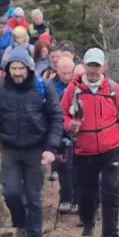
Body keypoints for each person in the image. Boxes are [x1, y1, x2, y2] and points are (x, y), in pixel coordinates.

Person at [0, 45, 63, 237]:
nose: (17, 73)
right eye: (13, 68)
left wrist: (51, 148)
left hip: (36, 149)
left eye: (21, 68)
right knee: (10, 192)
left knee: (33, 196)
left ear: (29, 68)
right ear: (8, 69)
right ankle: (20, 226)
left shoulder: (43, 87)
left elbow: (56, 118)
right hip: (10, 149)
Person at [60, 47, 119, 237]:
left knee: (110, 191)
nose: (93, 70)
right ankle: (88, 222)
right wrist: (70, 125)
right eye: (90, 65)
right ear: (84, 65)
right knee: (86, 193)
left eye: (97, 66)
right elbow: (62, 115)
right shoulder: (73, 90)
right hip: (84, 150)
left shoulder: (113, 89)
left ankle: (110, 236)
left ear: (104, 67)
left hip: (111, 148)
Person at [43, 48, 80, 216]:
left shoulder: (79, 85)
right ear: (57, 70)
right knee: (62, 164)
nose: (67, 76)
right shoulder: (49, 85)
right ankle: (65, 197)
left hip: (76, 129)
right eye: (64, 73)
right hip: (57, 129)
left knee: (77, 166)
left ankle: (77, 199)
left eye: (70, 73)